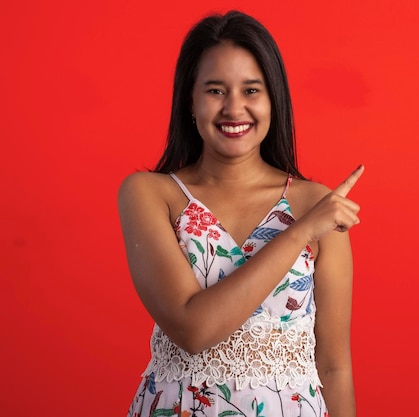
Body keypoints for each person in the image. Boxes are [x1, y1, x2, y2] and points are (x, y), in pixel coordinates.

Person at [118, 10, 363, 417]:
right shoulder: (149, 194)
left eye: (252, 90)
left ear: (274, 101)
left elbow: (335, 366)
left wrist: (311, 223)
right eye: (215, 90)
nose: (234, 108)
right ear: (189, 102)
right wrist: (298, 233)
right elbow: (192, 330)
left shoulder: (316, 203)